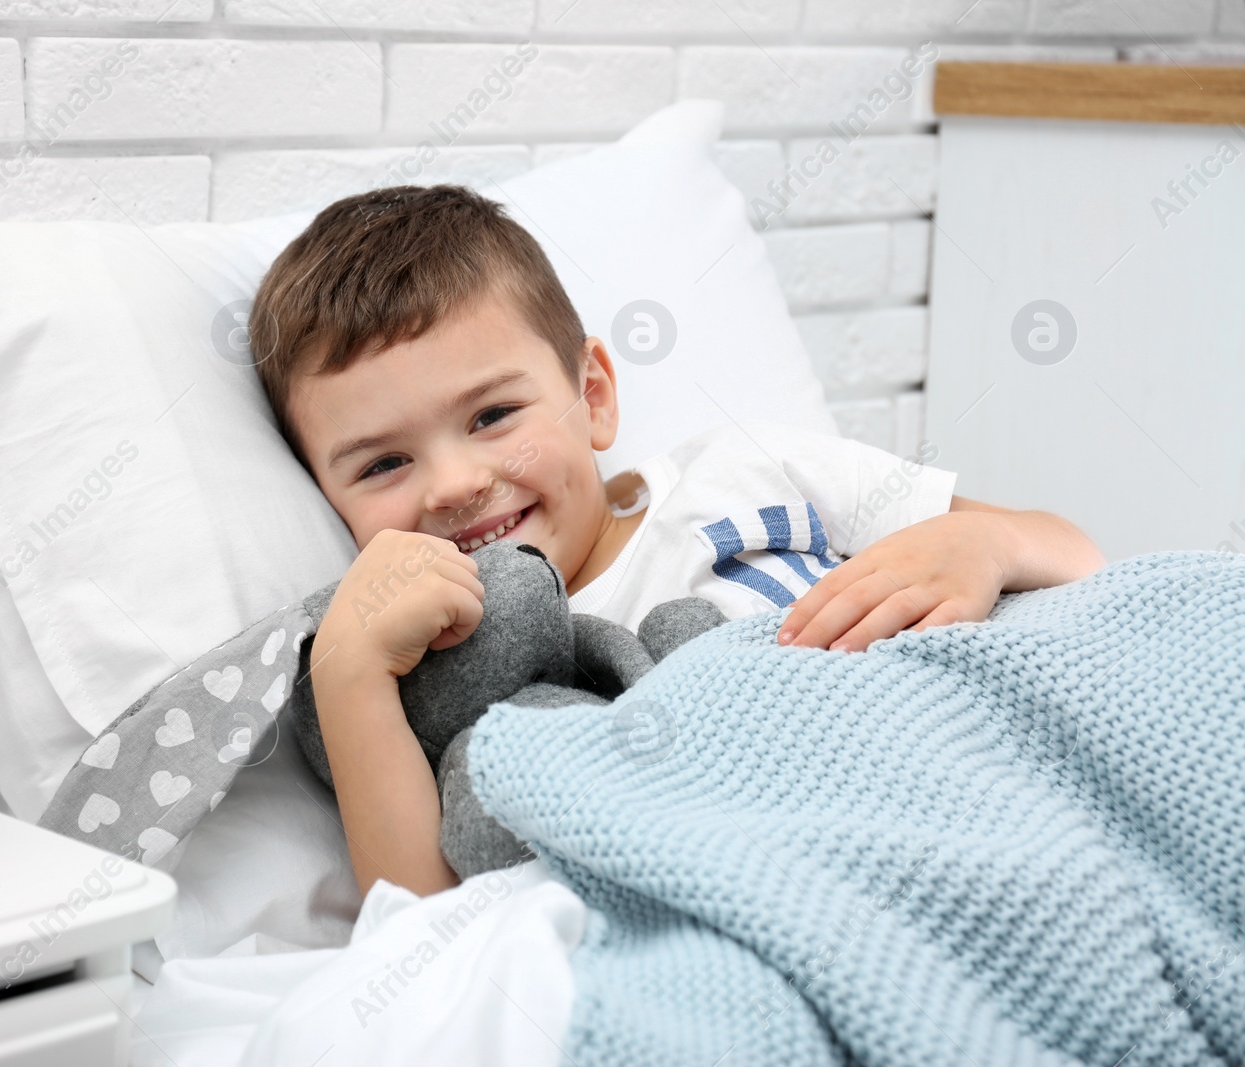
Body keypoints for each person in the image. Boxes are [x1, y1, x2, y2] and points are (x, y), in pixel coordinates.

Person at [247, 184, 1105, 899]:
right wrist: (351, 672)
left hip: (966, 776)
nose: (454, 484)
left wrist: (983, 546)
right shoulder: (441, 662)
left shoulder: (743, 471)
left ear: (593, 394)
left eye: (493, 415)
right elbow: (423, 918)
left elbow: (1077, 556)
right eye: (384, 463)